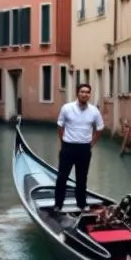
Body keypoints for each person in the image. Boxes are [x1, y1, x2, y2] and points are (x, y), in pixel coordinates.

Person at [53, 82, 104, 213]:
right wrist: (63, 141)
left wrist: (91, 144)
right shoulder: (67, 108)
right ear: (77, 93)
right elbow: (60, 126)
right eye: (82, 92)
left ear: (89, 95)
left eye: (87, 92)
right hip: (68, 147)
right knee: (62, 177)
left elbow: (99, 129)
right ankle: (58, 204)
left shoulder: (94, 111)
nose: (85, 94)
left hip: (84, 148)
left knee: (82, 178)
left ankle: (81, 203)